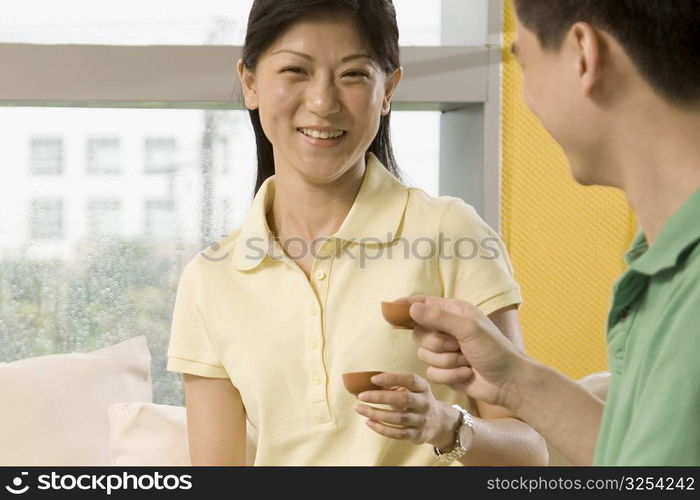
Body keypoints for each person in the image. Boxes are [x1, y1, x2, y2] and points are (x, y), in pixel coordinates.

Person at [166, 0, 547, 465]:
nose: (323, 102)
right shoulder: (211, 279)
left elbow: (530, 454)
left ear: (388, 88)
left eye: (353, 75)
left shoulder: (451, 233)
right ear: (250, 83)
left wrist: (444, 425)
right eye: (295, 71)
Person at [403, 0, 700, 466]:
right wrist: (513, 381)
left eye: (523, 61)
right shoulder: (668, 262)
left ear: (584, 55)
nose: (527, 95)